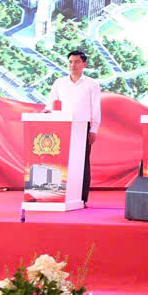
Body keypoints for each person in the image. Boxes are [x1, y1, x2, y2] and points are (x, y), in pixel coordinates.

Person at [44, 50, 101, 203]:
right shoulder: (59, 83)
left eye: (76, 62)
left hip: (82, 127)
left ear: (84, 64)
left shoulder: (91, 84)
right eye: (70, 62)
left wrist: (94, 129)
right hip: (61, 126)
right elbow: (50, 103)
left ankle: (81, 198)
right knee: (61, 161)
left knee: (82, 162)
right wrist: (47, 112)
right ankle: (61, 194)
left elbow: (96, 109)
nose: (72, 65)